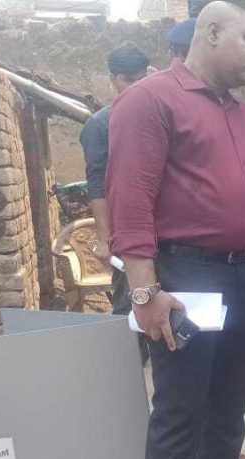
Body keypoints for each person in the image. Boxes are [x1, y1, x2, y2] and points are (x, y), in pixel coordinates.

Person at [106, 3, 245, 459]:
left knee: (229, 411)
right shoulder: (150, 99)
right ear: (212, 33)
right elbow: (131, 201)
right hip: (187, 277)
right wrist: (144, 292)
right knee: (181, 413)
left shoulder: (242, 113)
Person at [80, 42, 149, 320]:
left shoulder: (159, 116)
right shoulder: (100, 125)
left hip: (168, 232)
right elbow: (97, 185)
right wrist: (104, 239)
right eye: (128, 80)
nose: (136, 87)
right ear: (112, 79)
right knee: (130, 306)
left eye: (141, 79)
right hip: (127, 233)